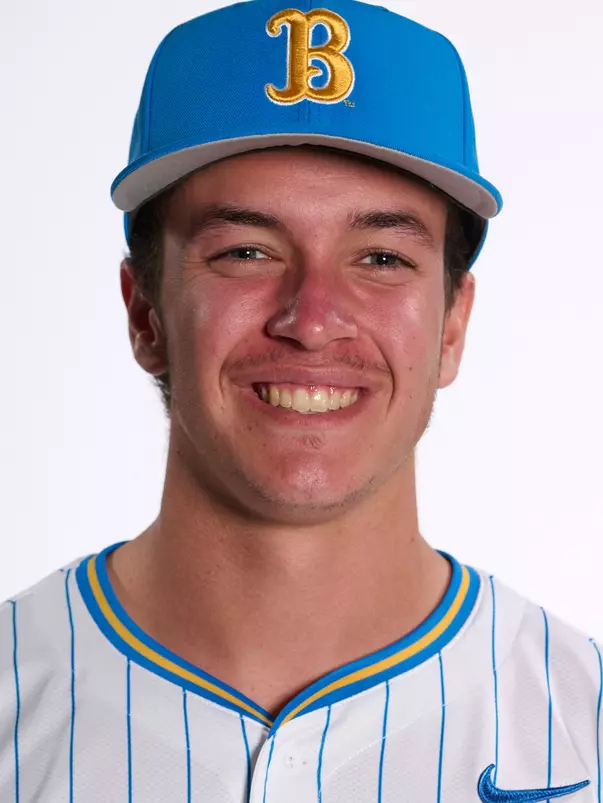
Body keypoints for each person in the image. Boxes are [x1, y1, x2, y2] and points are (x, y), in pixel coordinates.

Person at [0, 0, 600, 800]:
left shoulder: (581, 721)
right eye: (246, 251)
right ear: (144, 312)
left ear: (452, 324)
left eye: (381, 257)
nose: (311, 320)